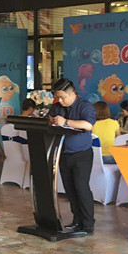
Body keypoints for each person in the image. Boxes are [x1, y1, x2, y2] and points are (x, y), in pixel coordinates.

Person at [48, 78, 96, 235]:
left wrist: (66, 122)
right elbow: (49, 120)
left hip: (82, 154)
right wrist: (52, 120)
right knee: (69, 189)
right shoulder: (57, 107)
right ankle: (77, 221)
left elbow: (88, 125)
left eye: (63, 97)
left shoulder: (84, 106)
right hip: (63, 153)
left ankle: (88, 224)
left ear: (72, 94)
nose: (60, 101)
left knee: (81, 188)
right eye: (58, 97)